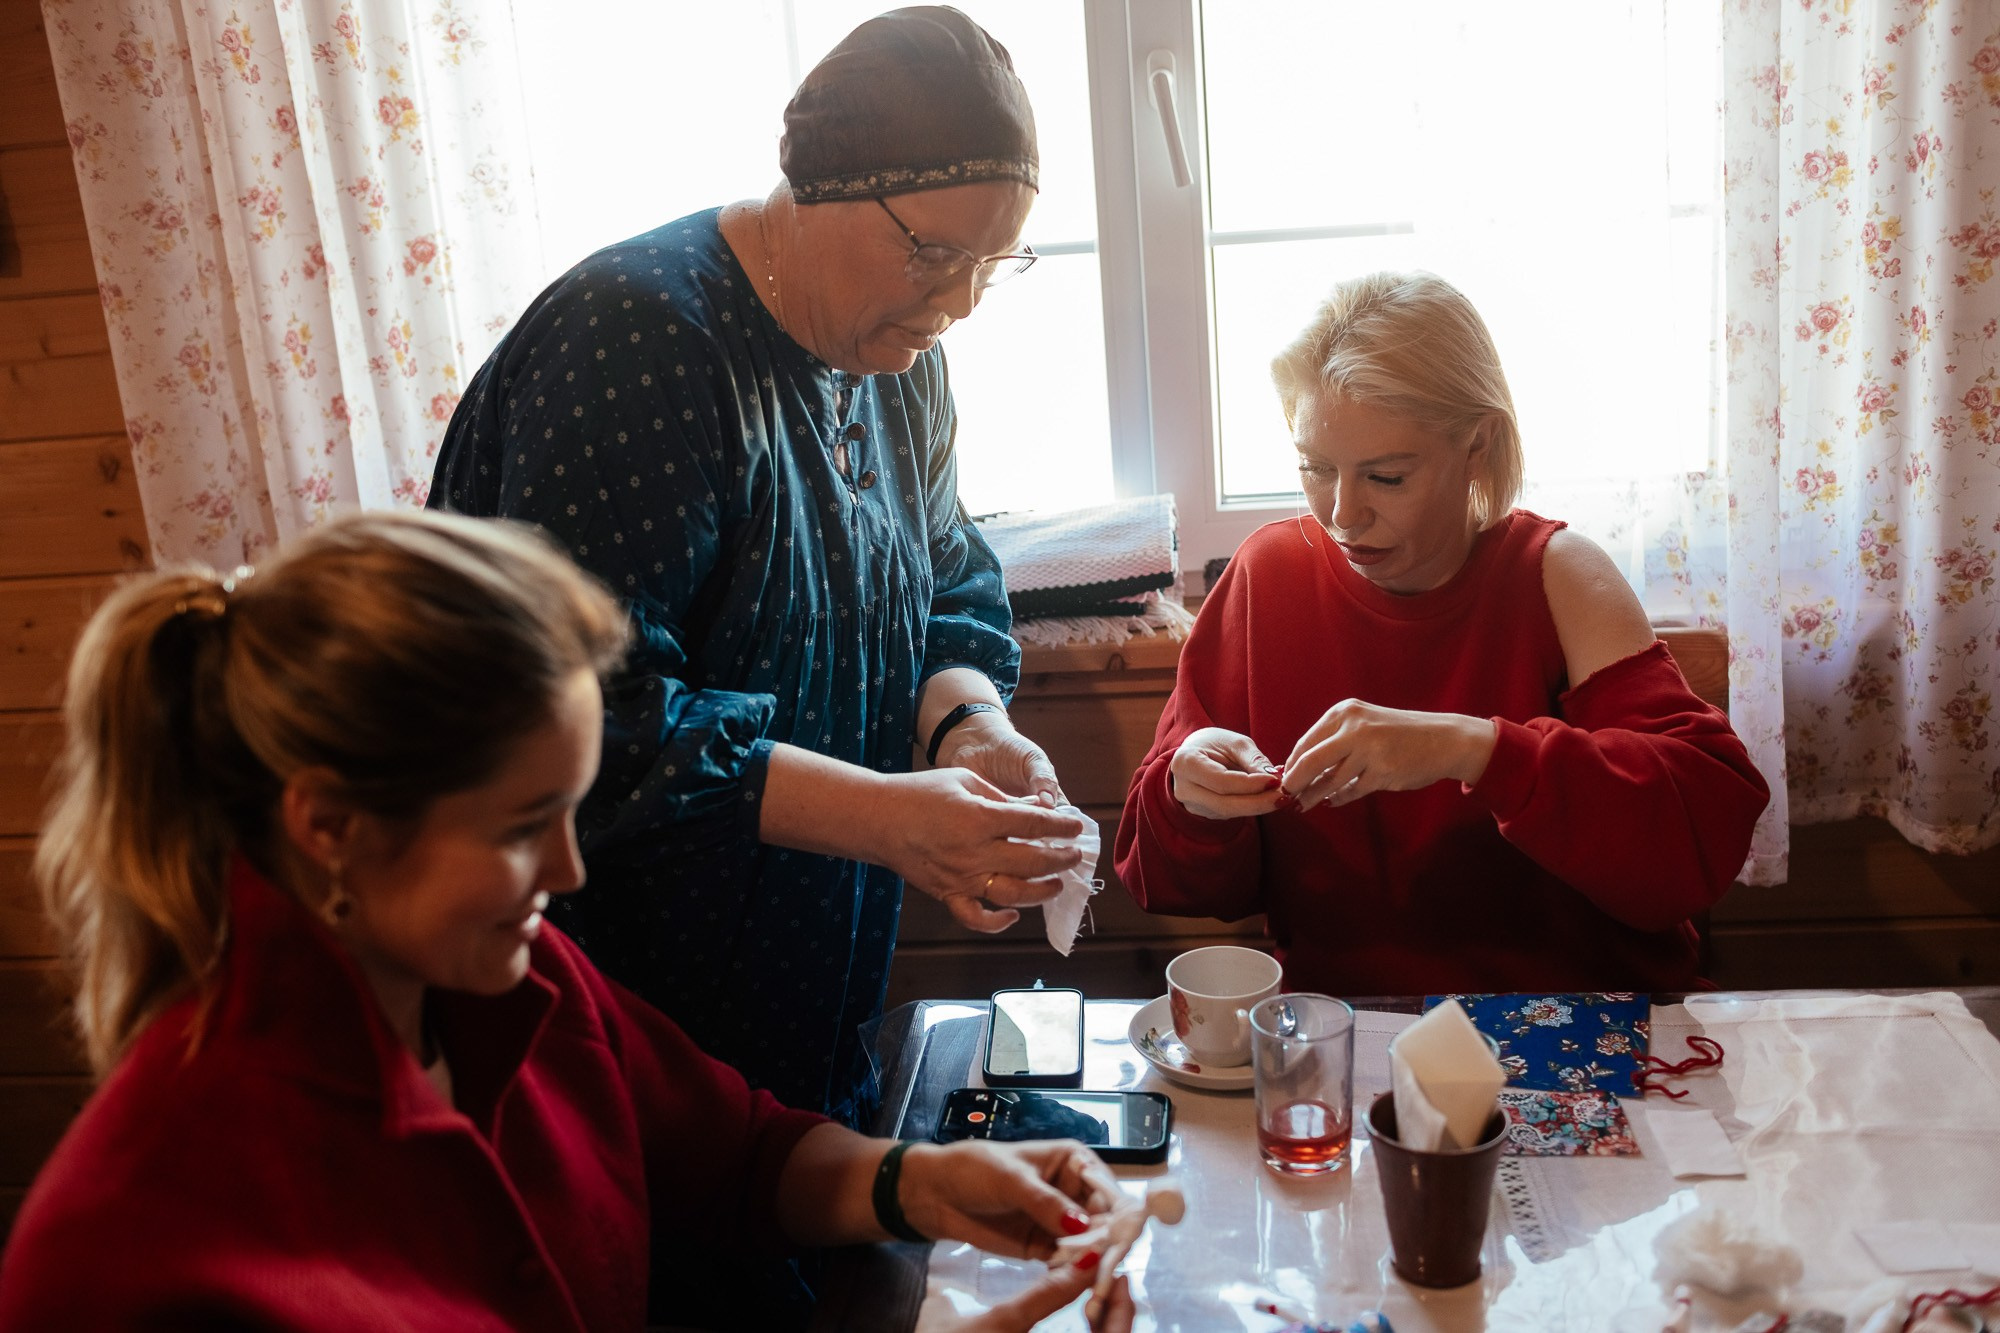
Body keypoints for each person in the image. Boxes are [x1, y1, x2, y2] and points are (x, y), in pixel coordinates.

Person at [0, 511, 1134, 1333]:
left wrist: (924, 1182)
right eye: (519, 826)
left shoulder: (516, 973)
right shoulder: (125, 1256)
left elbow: (739, 1154)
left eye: (570, 808)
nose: (567, 867)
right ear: (329, 827)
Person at [428, 5, 1081, 1129]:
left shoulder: (897, 354)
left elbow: (946, 581)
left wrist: (969, 729)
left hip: (808, 988)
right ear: (821, 187)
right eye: (934, 253)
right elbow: (588, 719)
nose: (961, 301)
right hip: (611, 1002)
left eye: (991, 263)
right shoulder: (638, 344)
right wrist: (889, 819)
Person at [1114, 272, 1771, 995]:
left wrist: (1473, 749)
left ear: (1477, 445)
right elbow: (1166, 881)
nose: (1343, 514)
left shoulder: (1558, 573)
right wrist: (1189, 796)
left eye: (1387, 477)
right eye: (1316, 469)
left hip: (1576, 1015)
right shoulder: (1265, 575)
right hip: (1350, 1028)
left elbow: (1695, 841)